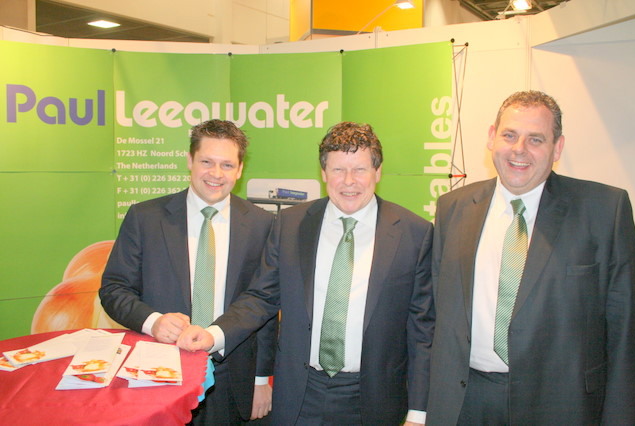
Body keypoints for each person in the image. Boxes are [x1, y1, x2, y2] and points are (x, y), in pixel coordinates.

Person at [177, 121, 435, 425]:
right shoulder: (291, 224)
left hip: (374, 399)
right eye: (338, 170)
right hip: (299, 394)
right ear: (323, 173)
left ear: (377, 172)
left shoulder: (414, 234)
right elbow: (261, 298)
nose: (348, 181)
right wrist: (213, 334)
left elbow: (422, 332)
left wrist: (418, 413)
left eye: (360, 170)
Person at [427, 90, 635, 424]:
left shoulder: (603, 210)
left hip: (559, 405)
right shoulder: (453, 207)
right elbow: (438, 315)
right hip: (465, 400)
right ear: (491, 137)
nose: (519, 149)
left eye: (535, 139)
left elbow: (626, 330)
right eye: (509, 135)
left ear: (557, 148)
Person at [100, 119, 277, 425]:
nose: (216, 174)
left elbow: (265, 303)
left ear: (239, 169)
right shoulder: (145, 218)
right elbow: (114, 289)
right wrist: (153, 322)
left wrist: (261, 379)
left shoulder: (262, 224)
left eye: (227, 165)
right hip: (158, 371)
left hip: (232, 376)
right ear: (190, 160)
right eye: (207, 162)